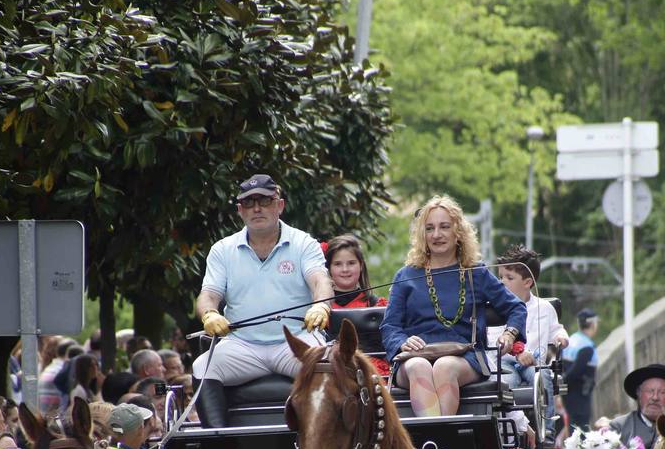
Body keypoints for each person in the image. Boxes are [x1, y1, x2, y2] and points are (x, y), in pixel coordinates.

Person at [192, 174, 333, 427]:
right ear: (240, 211)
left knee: (325, 364)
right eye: (249, 203)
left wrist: (321, 305)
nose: (257, 208)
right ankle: (220, 447)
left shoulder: (304, 243)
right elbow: (208, 296)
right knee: (202, 367)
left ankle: (323, 446)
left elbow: (320, 281)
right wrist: (209, 314)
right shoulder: (222, 249)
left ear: (279, 205)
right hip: (242, 345)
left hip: (295, 341)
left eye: (265, 201)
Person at [382, 195, 525, 417]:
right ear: (423, 234)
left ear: (457, 232)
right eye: (429, 228)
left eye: (444, 227)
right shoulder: (406, 275)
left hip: (464, 356)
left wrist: (509, 334)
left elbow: (516, 308)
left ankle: (435, 445)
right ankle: (441, 446)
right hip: (414, 357)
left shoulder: (475, 272)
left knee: (444, 367)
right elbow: (390, 326)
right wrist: (402, 342)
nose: (436, 235)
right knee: (419, 366)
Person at [494, 246, 568, 441]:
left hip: (535, 362)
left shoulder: (544, 308)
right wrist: (517, 352)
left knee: (543, 375)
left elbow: (555, 328)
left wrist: (561, 336)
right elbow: (495, 337)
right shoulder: (494, 309)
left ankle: (548, 429)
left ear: (527, 282)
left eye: (509, 278)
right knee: (506, 383)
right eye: (500, 276)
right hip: (506, 362)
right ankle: (506, 431)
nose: (502, 282)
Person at [326, 234, 391, 377]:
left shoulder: (377, 305)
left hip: (370, 370)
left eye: (351, 263)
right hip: (332, 369)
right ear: (328, 268)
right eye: (337, 264)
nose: (345, 269)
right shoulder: (320, 307)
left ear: (361, 265)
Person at [562, 309, 600, 432]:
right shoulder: (586, 346)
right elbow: (576, 370)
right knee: (581, 430)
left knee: (572, 426)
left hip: (568, 393)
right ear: (593, 324)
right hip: (580, 394)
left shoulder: (571, 340)